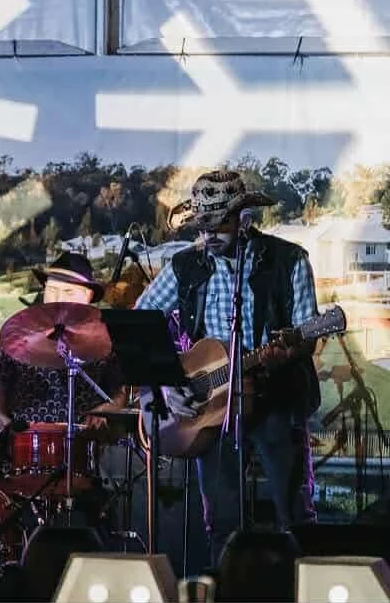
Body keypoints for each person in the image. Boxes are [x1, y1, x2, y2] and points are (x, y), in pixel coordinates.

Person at [135, 169, 319, 564]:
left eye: (218, 224)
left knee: (293, 517)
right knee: (221, 522)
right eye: (202, 226)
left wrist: (284, 353)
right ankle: (226, 587)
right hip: (211, 407)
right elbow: (141, 323)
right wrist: (166, 383)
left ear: (244, 218)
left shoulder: (289, 261)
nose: (209, 234)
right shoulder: (186, 265)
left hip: (276, 399)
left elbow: (307, 335)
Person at [0, 251, 126, 439]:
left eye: (68, 292)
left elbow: (119, 394)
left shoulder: (105, 337)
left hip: (84, 439)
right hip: (25, 440)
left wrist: (103, 412)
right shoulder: (18, 333)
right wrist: (8, 426)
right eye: (52, 290)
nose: (57, 298)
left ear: (88, 295)